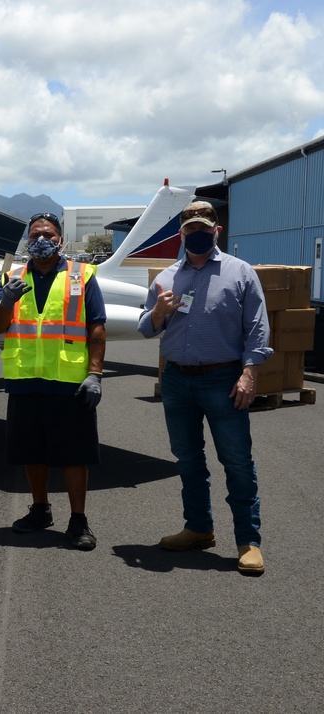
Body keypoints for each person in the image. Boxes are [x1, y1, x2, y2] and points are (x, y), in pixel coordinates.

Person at [137, 200, 271, 575]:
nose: (196, 234)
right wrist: (159, 312)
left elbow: (257, 328)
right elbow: (146, 328)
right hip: (178, 379)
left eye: (203, 228)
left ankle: (248, 541)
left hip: (223, 379)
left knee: (237, 461)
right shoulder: (165, 278)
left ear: (217, 231)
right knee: (188, 460)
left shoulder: (240, 273)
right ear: (180, 234)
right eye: (190, 229)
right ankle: (198, 528)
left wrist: (250, 373)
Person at [0, 212, 106, 551]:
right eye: (36, 234)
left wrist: (95, 374)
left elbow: (96, 327)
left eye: (49, 234)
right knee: (32, 452)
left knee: (73, 455)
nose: (42, 239)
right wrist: (6, 300)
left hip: (68, 382)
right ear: (27, 241)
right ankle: (40, 510)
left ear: (61, 239)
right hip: (25, 379)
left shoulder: (81, 276)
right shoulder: (12, 276)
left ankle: (78, 520)